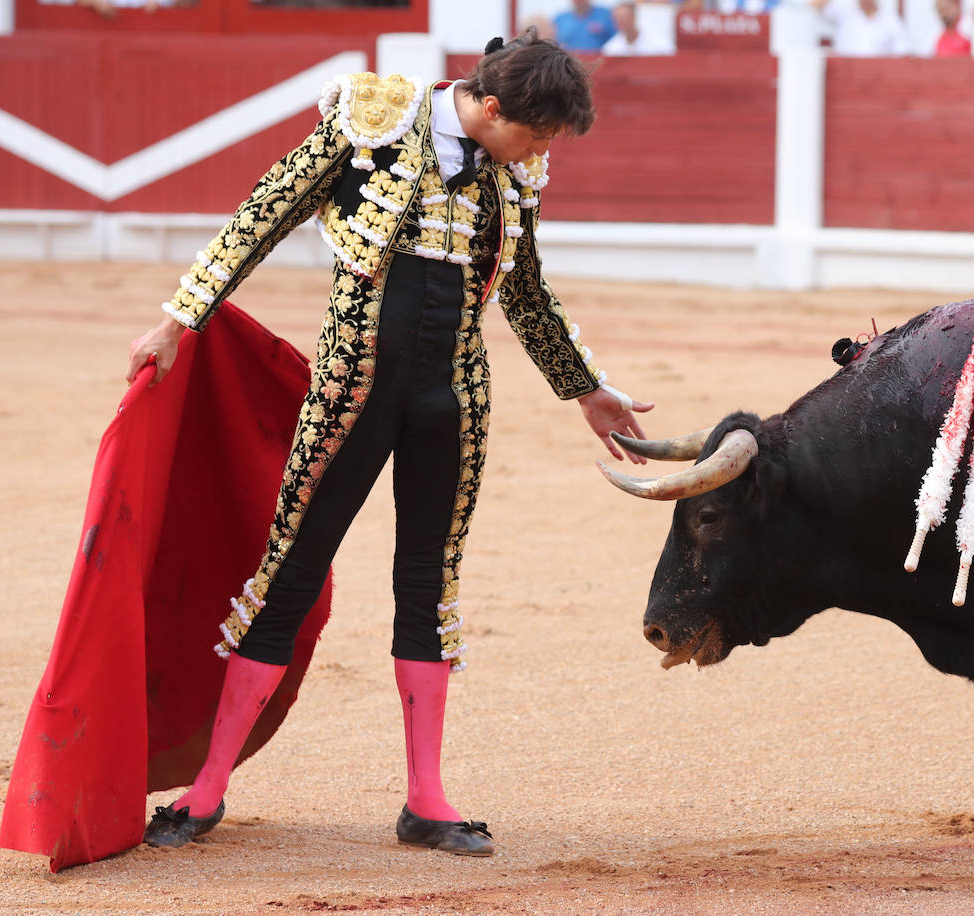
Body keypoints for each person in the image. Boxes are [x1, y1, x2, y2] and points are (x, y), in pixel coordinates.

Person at [125, 31, 653, 857]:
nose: (541, 152)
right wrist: (179, 319)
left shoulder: (515, 170)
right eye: (537, 134)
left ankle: (426, 799)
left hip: (454, 402)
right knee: (290, 571)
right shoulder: (369, 123)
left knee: (428, 584)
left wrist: (586, 388)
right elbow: (264, 212)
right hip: (348, 393)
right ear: (490, 105)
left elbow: (525, 290)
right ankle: (208, 788)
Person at [813, 0, 912, 56]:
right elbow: (814, 4)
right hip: (845, 75)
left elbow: (904, 53)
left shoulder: (890, 18)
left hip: (879, 79)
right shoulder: (843, 8)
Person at [603, 2, 673, 54]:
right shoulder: (611, 48)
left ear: (634, 17)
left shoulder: (657, 42)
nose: (620, 21)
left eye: (625, 17)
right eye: (617, 18)